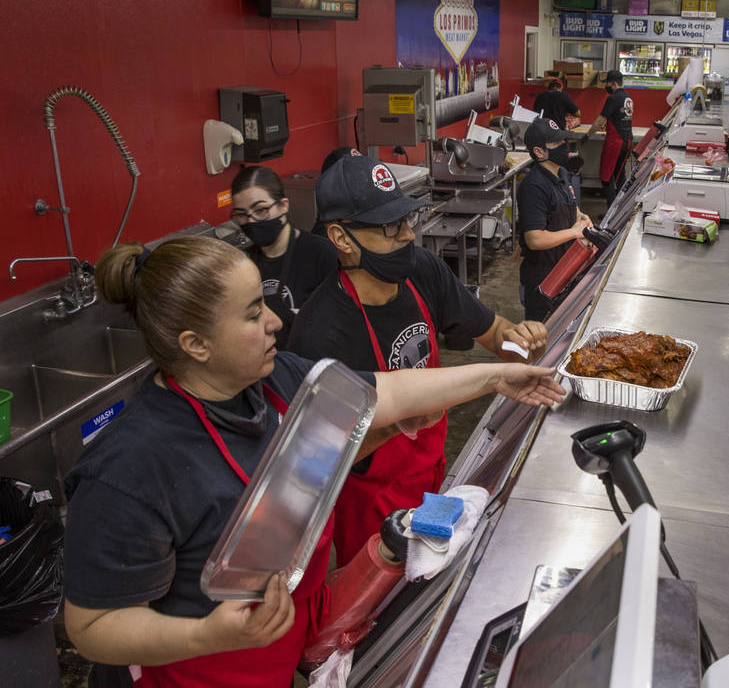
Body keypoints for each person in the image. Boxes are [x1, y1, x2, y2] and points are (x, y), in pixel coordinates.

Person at [61, 236, 563, 686]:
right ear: (196, 345)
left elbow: (383, 392)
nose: (276, 320)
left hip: (275, 657)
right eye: (254, 313)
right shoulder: (130, 468)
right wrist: (205, 636)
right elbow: (93, 627)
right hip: (195, 672)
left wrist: (493, 377)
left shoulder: (277, 380)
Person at [289, 155, 548, 565]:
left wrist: (523, 344)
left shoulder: (421, 271)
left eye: (408, 220)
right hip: (373, 506)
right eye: (392, 227)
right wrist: (398, 424)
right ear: (341, 238)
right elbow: (314, 466)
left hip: (431, 474)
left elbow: (497, 336)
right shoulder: (319, 334)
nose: (409, 236)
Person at [229, 165, 337, 349]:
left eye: (261, 210)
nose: (251, 221)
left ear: (283, 205)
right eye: (241, 215)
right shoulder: (245, 264)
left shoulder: (321, 253)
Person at [516, 117, 593, 322]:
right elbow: (535, 239)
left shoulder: (562, 172)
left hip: (563, 266)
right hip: (542, 277)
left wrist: (580, 216)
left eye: (563, 141)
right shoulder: (533, 187)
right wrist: (576, 232)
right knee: (540, 339)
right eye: (556, 143)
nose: (563, 146)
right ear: (539, 152)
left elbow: (569, 203)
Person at [586, 69, 634, 207]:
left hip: (615, 143)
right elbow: (620, 118)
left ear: (613, 83)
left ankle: (610, 214)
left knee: (606, 178)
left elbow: (599, 121)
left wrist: (587, 135)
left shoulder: (612, 99)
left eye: (607, 82)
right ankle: (619, 212)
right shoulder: (628, 98)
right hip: (627, 141)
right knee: (619, 177)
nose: (606, 86)